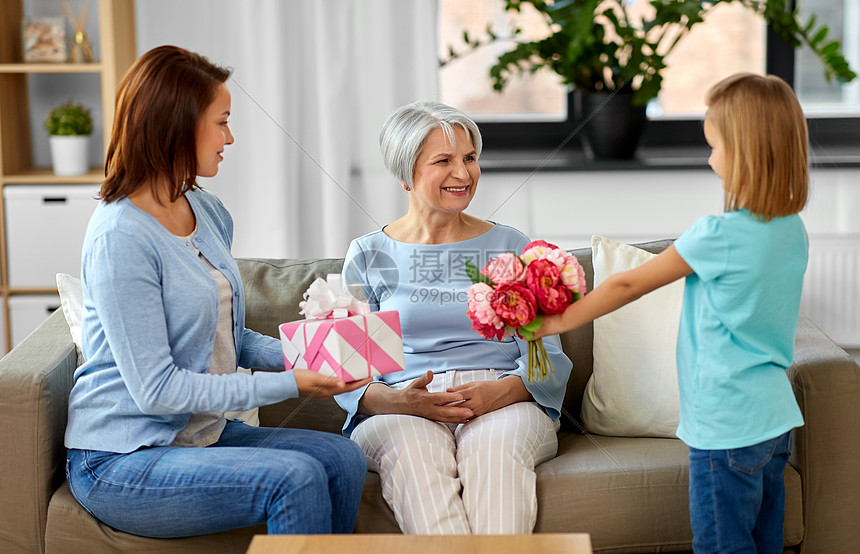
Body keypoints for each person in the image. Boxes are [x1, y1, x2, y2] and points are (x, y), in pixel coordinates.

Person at [64, 45, 370, 538]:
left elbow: (226, 338)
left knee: (342, 457)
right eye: (222, 121)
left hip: (199, 436)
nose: (230, 137)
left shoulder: (205, 211)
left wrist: (312, 356)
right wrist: (294, 383)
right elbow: (157, 390)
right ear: (177, 125)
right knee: (294, 478)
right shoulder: (120, 236)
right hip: (122, 457)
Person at [536, 73, 808, 554]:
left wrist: (558, 321)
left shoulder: (718, 234)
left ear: (744, 152)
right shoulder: (792, 230)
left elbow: (627, 283)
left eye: (715, 146)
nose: (710, 158)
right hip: (775, 423)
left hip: (727, 427)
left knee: (722, 546)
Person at [335, 100, 573, 535]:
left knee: (497, 456)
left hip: (502, 395)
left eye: (469, 158)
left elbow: (545, 358)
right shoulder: (368, 254)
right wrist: (404, 400)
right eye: (443, 160)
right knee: (413, 457)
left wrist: (498, 394)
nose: (463, 174)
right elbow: (349, 376)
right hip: (402, 402)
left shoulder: (510, 244)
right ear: (405, 173)